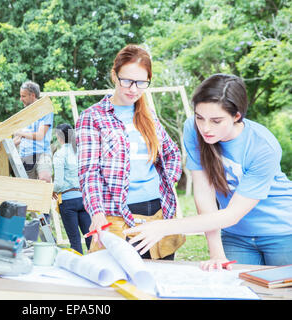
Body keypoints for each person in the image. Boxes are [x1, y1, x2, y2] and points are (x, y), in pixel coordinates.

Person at [124, 74, 292, 269]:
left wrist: (164, 226)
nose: (205, 128)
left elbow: (232, 214)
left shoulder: (263, 146)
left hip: (283, 231)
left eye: (216, 121)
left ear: (236, 116)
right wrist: (216, 253)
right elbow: (204, 195)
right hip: (235, 235)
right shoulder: (192, 129)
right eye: (199, 117)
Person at [76, 44, 184, 260]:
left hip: (157, 213)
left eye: (141, 82)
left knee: (159, 283)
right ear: (114, 76)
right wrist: (96, 213)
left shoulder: (149, 116)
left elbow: (172, 154)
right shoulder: (92, 117)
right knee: (120, 284)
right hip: (117, 216)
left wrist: (165, 181)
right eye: (127, 80)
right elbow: (89, 172)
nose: (133, 89)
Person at [53, 123, 91, 254]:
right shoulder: (81, 151)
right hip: (83, 198)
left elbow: (58, 183)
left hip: (68, 201)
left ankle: (78, 267)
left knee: (74, 240)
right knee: (90, 237)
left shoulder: (59, 154)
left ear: (59, 137)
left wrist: (52, 190)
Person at [13, 81, 53, 183]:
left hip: (42, 153)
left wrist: (20, 133)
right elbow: (18, 138)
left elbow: (40, 136)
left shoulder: (45, 110)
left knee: (45, 178)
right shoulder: (23, 114)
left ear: (33, 95)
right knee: (28, 189)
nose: (21, 99)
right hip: (25, 155)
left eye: (24, 96)